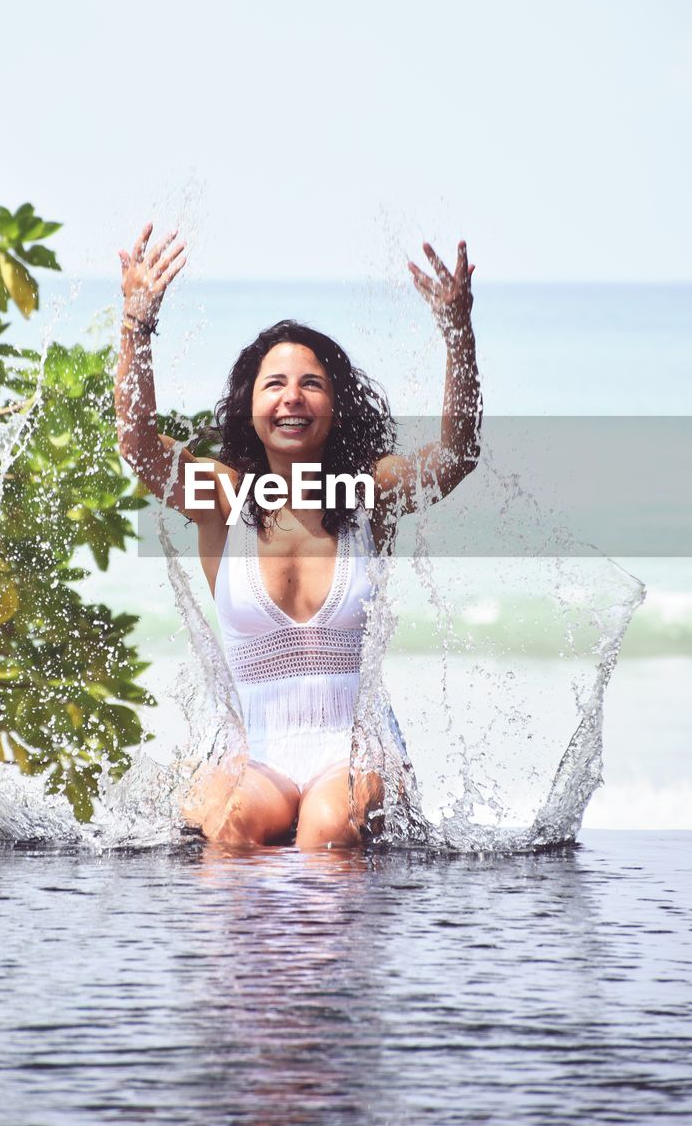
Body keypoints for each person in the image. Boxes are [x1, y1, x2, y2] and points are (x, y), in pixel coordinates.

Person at [115, 223, 481, 849]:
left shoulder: (372, 491)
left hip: (354, 747)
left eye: (311, 384)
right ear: (248, 406)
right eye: (274, 385)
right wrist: (135, 326)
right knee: (235, 827)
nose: (292, 398)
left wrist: (458, 334)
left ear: (336, 406)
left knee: (327, 828)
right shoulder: (222, 498)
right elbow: (138, 446)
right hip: (252, 750)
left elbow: (458, 453)